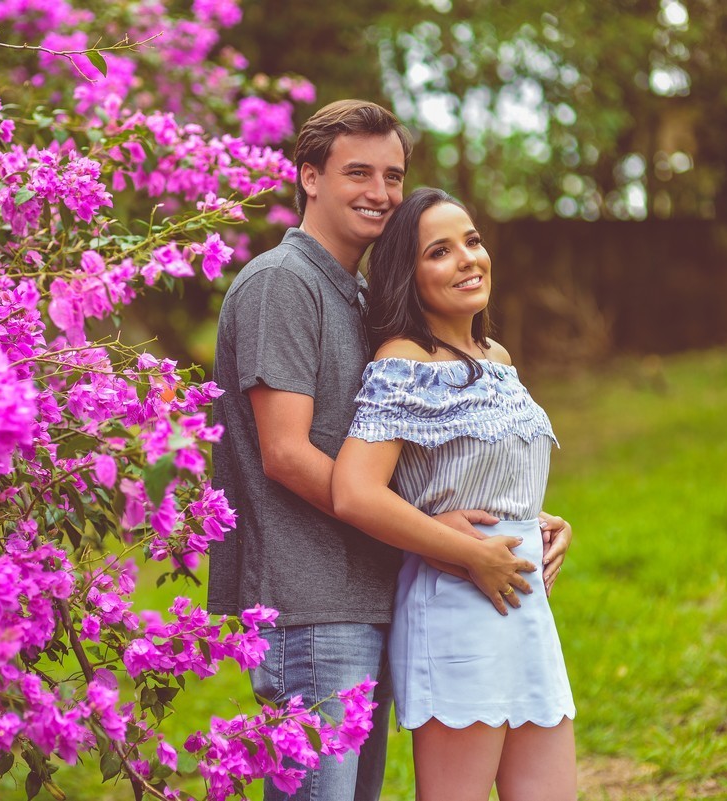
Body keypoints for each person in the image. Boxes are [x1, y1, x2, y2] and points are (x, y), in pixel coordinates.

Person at [208, 100, 572, 801]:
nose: (380, 191)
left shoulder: (357, 295)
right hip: (311, 601)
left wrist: (512, 517)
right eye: (358, 173)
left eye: (393, 175)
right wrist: (437, 535)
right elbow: (286, 453)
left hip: (367, 590)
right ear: (309, 177)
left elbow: (408, 450)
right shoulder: (282, 282)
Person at [332, 187, 577, 801]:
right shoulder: (405, 362)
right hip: (457, 605)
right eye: (439, 251)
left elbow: (483, 471)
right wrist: (471, 552)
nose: (468, 258)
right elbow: (355, 492)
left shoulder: (497, 357)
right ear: (408, 278)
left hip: (525, 605)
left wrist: (538, 522)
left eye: (471, 241)